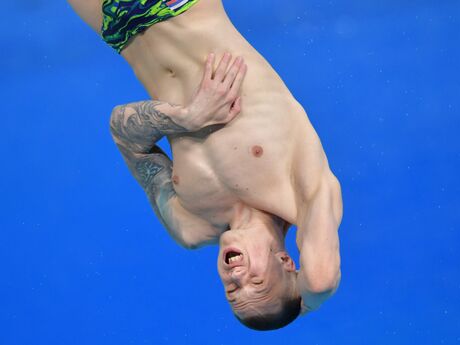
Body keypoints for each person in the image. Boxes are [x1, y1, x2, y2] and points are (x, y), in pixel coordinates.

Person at [68, 0, 342, 330]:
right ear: (286, 262)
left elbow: (122, 133)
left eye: (231, 290)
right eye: (256, 284)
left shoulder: (189, 224)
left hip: (119, 27)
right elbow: (320, 282)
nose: (237, 277)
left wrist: (186, 118)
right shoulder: (298, 192)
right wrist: (305, 306)